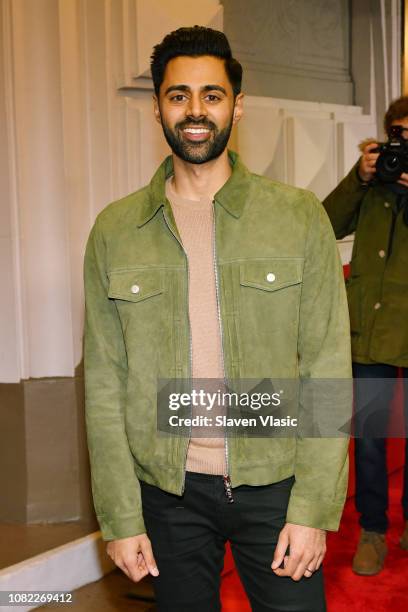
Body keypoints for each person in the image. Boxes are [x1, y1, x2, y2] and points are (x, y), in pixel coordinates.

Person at [84, 26, 351, 611]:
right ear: (157, 106)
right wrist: (121, 516)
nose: (195, 110)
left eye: (212, 94)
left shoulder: (298, 216)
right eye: (179, 95)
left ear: (237, 105)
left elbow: (328, 368)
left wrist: (312, 510)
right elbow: (105, 384)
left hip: (276, 485)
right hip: (167, 493)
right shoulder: (115, 230)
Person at [323, 96, 408, 576]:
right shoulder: (371, 185)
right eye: (398, 135)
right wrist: (359, 177)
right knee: (371, 437)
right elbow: (324, 224)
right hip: (371, 331)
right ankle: (372, 530)